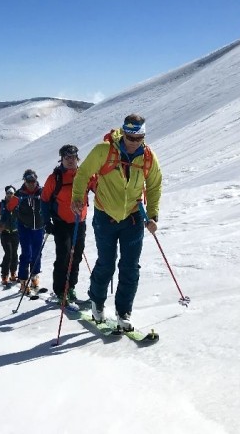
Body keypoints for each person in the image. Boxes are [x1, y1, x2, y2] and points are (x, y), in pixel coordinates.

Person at [71, 114, 162, 331]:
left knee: (130, 267)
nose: (133, 142)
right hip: (105, 217)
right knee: (106, 263)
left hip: (133, 218)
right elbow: (83, 173)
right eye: (130, 137)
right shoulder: (104, 151)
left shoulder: (148, 157)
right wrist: (77, 197)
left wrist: (153, 214)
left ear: (143, 136)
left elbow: (155, 184)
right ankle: (97, 302)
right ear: (123, 134)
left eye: (138, 138)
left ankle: (124, 312)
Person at [41, 144, 88, 304]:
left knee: (76, 256)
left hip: (79, 223)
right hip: (61, 223)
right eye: (67, 158)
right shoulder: (54, 178)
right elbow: (45, 201)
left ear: (77, 158)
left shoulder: (84, 175)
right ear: (61, 159)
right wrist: (47, 222)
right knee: (64, 256)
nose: (70, 160)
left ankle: (71, 287)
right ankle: (60, 290)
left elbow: (98, 188)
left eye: (73, 157)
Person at [4, 169, 46, 294]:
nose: (31, 183)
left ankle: (34, 276)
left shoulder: (41, 191)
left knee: (37, 253)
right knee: (26, 253)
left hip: (39, 227)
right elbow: (9, 207)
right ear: (25, 181)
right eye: (28, 181)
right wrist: (16, 213)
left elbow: (49, 203)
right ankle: (23, 280)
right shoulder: (20, 194)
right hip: (25, 228)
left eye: (33, 180)